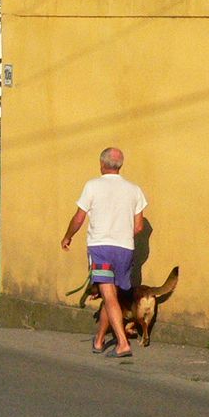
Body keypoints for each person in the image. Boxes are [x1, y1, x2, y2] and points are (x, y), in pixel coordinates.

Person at [61, 146, 147, 358]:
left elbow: (79, 218)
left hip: (101, 248)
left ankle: (122, 343)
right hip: (125, 248)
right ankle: (99, 340)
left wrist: (67, 236)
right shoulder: (135, 190)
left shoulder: (92, 186)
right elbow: (139, 227)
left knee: (108, 297)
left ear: (101, 164)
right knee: (112, 297)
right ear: (121, 165)